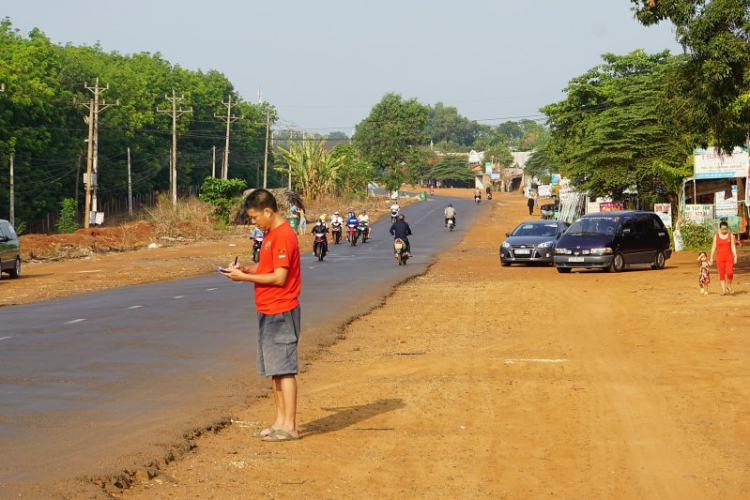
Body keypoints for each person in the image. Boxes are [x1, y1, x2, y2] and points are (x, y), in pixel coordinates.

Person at [223, 189, 302, 442]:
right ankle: (279, 421)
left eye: (255, 217)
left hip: (281, 309)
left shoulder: (283, 236)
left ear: (268, 211)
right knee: (274, 370)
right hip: (267, 309)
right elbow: (266, 268)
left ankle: (289, 426)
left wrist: (245, 278)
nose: (254, 222)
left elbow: (279, 278)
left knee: (285, 369)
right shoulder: (269, 235)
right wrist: (245, 268)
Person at [709, 220, 738, 295]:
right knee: (721, 273)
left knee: (730, 273)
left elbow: (733, 246)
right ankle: (723, 289)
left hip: (729, 257)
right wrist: (711, 257)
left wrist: (735, 256)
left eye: (725, 229)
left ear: (727, 228)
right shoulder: (716, 236)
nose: (724, 231)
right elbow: (713, 247)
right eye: (722, 229)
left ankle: (728, 285)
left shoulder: (730, 235)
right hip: (719, 258)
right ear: (720, 228)